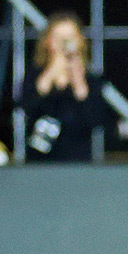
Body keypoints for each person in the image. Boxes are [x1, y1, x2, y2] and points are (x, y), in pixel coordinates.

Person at [24, 12, 107, 162]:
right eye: (58, 38)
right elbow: (26, 108)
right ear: (47, 41)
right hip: (39, 163)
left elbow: (95, 121)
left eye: (70, 38)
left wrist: (79, 83)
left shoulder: (91, 80)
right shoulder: (34, 76)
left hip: (78, 163)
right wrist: (49, 76)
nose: (64, 44)